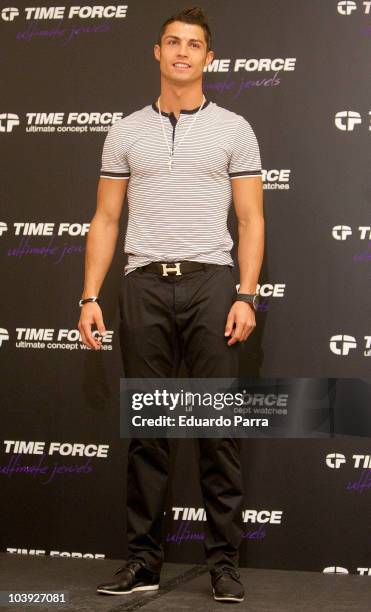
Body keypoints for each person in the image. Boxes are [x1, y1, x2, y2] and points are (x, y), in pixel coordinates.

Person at [78, 5, 264, 604]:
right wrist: (89, 296)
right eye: (173, 42)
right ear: (156, 53)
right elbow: (106, 218)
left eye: (194, 44)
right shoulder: (125, 130)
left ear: (209, 59)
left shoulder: (234, 127)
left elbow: (251, 219)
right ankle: (143, 562)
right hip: (145, 286)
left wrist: (246, 293)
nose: (183, 52)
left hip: (212, 285)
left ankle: (224, 565)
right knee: (149, 433)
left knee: (215, 429)